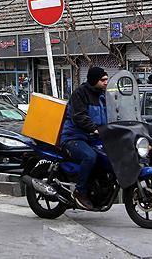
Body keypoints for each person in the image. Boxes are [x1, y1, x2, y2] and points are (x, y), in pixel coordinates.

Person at [59, 67, 109, 211]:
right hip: (74, 136)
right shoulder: (80, 93)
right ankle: (80, 192)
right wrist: (94, 129)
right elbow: (79, 116)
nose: (106, 82)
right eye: (103, 80)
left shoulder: (103, 96)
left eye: (107, 80)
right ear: (94, 80)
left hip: (94, 137)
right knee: (90, 157)